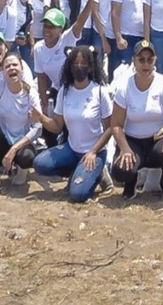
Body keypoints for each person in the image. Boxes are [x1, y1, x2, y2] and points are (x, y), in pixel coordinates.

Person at [34, 45, 115, 203]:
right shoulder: (64, 91)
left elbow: (110, 128)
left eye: (83, 64)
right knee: (40, 164)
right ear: (69, 67)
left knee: (78, 195)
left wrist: (93, 151)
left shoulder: (100, 92)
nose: (79, 67)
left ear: (91, 68)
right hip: (71, 148)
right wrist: (40, 117)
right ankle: (78, 171)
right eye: (75, 64)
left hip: (94, 151)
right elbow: (57, 125)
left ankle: (98, 173)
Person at [108, 41, 163, 202]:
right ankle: (131, 181)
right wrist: (124, 148)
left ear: (155, 61)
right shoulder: (124, 87)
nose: (146, 64)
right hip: (133, 142)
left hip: (157, 139)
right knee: (120, 170)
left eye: (150, 60)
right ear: (134, 61)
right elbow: (116, 125)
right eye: (141, 59)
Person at [0, 50, 45, 196]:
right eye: (7, 66)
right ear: (3, 72)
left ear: (22, 69)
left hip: (22, 143)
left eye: (15, 65)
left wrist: (14, 149)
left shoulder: (31, 93)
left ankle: (21, 168)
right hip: (4, 141)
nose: (11, 68)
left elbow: (38, 128)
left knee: (27, 157)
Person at [34, 1, 97, 146]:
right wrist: (44, 103)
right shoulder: (38, 48)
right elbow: (41, 77)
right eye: (45, 26)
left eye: (52, 27)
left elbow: (80, 21)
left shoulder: (68, 38)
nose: (47, 30)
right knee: (50, 122)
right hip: (58, 88)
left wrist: (90, 1)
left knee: (72, 121)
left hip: (77, 87)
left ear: (61, 29)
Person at [111, 0, 152, 75]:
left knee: (143, 70)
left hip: (143, 36)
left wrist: (147, 38)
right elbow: (115, 14)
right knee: (126, 71)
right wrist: (119, 38)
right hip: (126, 37)